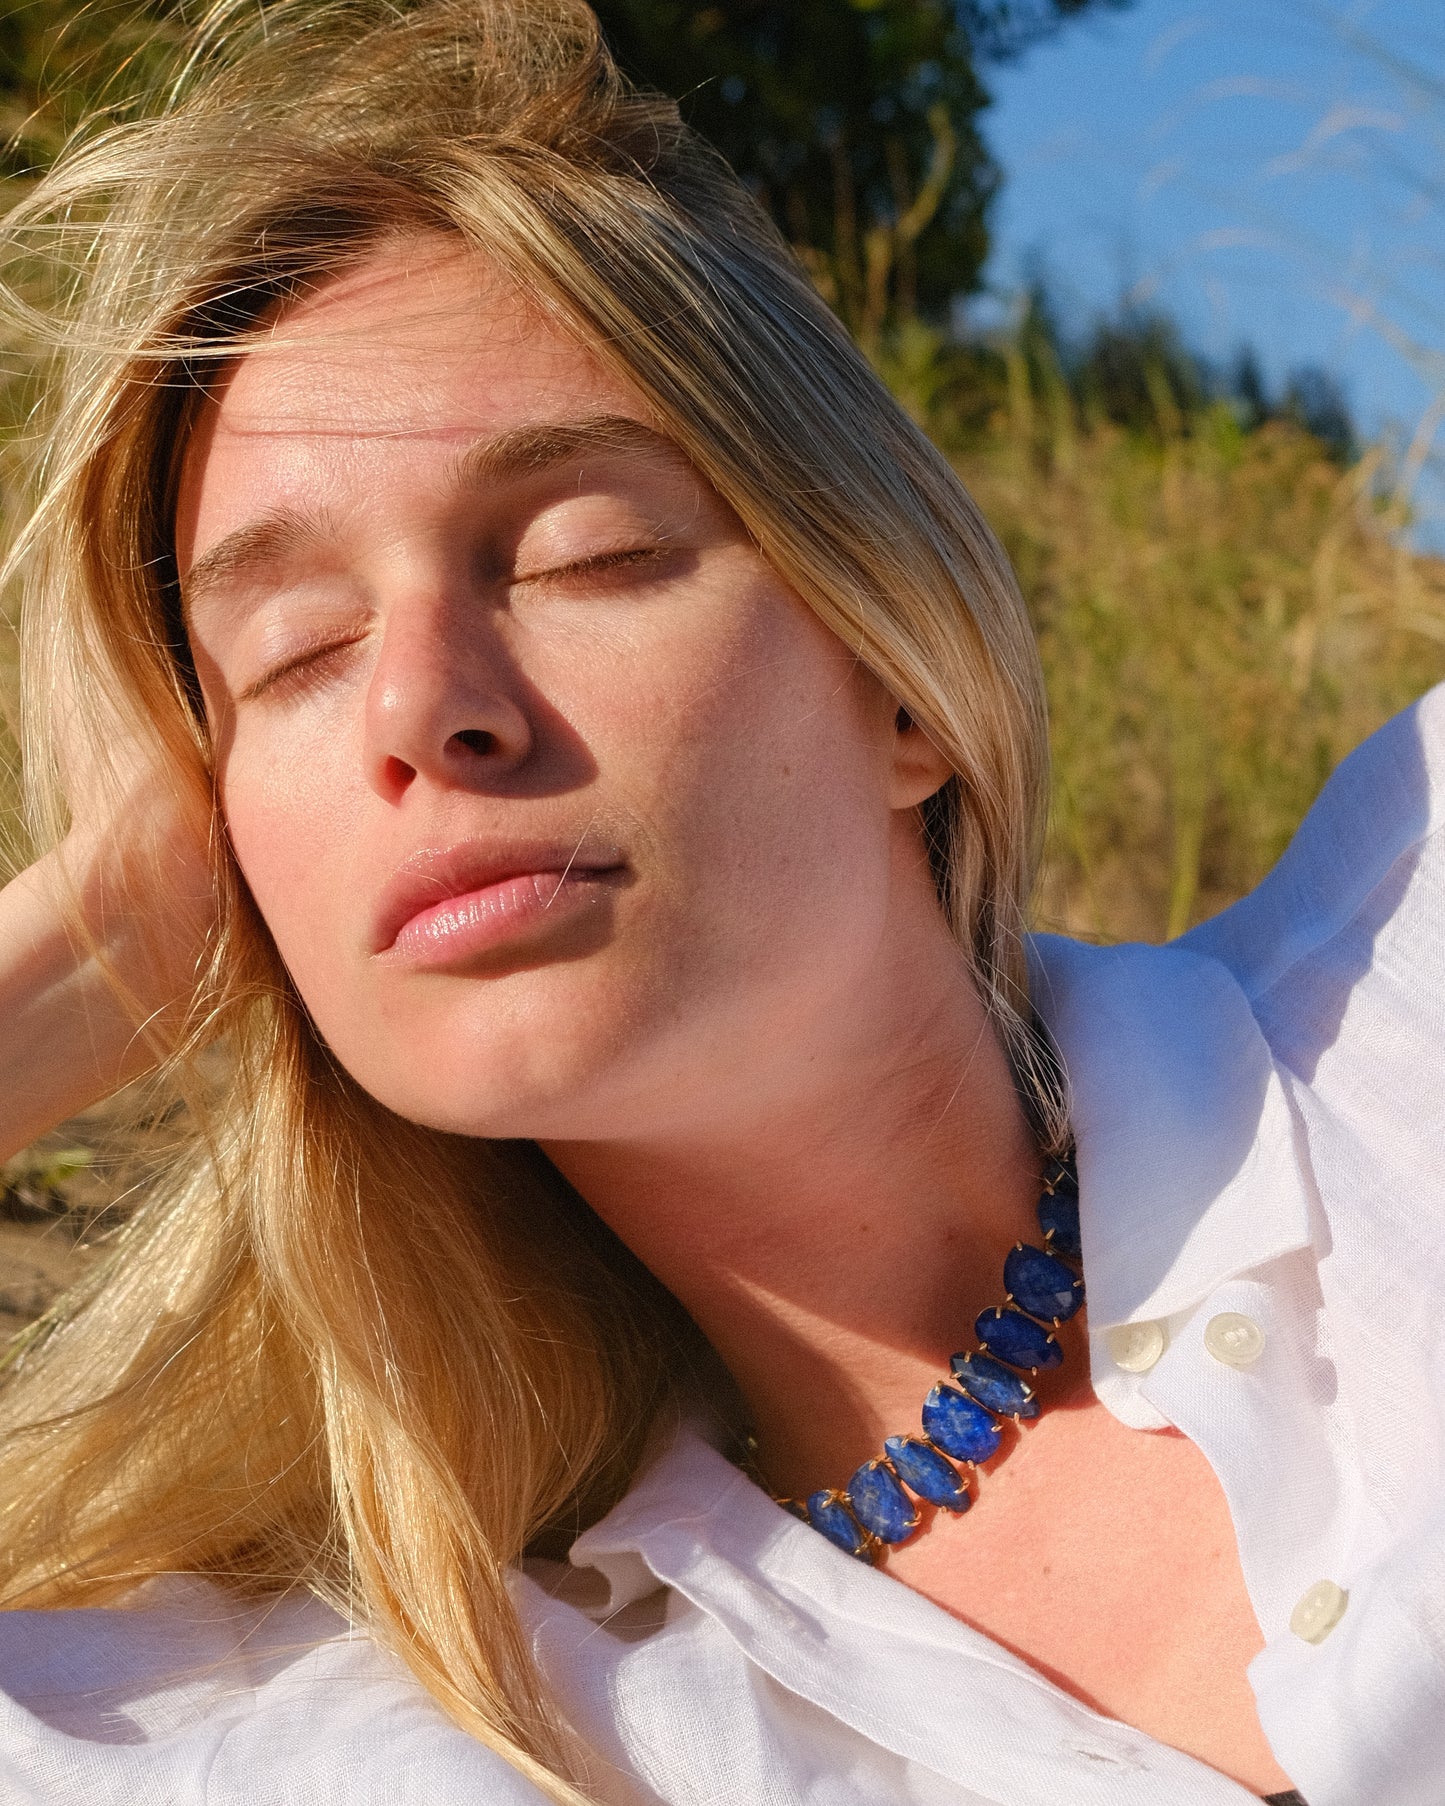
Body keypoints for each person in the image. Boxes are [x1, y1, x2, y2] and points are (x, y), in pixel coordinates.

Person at [0, 3, 1439, 1802]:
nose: (415, 703)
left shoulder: (1410, 979)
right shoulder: (406, 1721)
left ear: (895, 669)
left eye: (584, 552)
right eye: (291, 655)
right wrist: (92, 952)